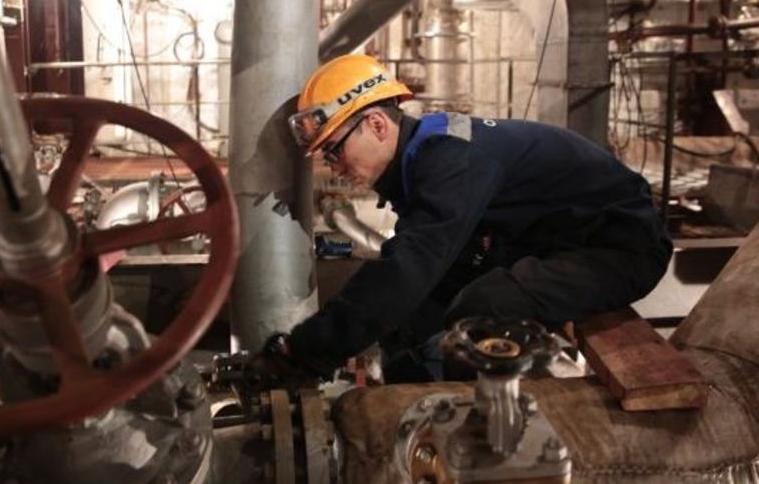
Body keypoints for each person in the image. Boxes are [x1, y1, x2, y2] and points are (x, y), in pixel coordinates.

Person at [256, 54, 673, 384]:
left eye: (334, 150)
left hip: (620, 248)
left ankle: (469, 438)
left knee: (482, 308)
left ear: (377, 124)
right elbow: (412, 277)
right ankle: (405, 413)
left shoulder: (450, 159)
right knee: (411, 317)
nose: (334, 166)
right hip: (551, 242)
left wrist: (307, 351)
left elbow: (407, 268)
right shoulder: (422, 156)